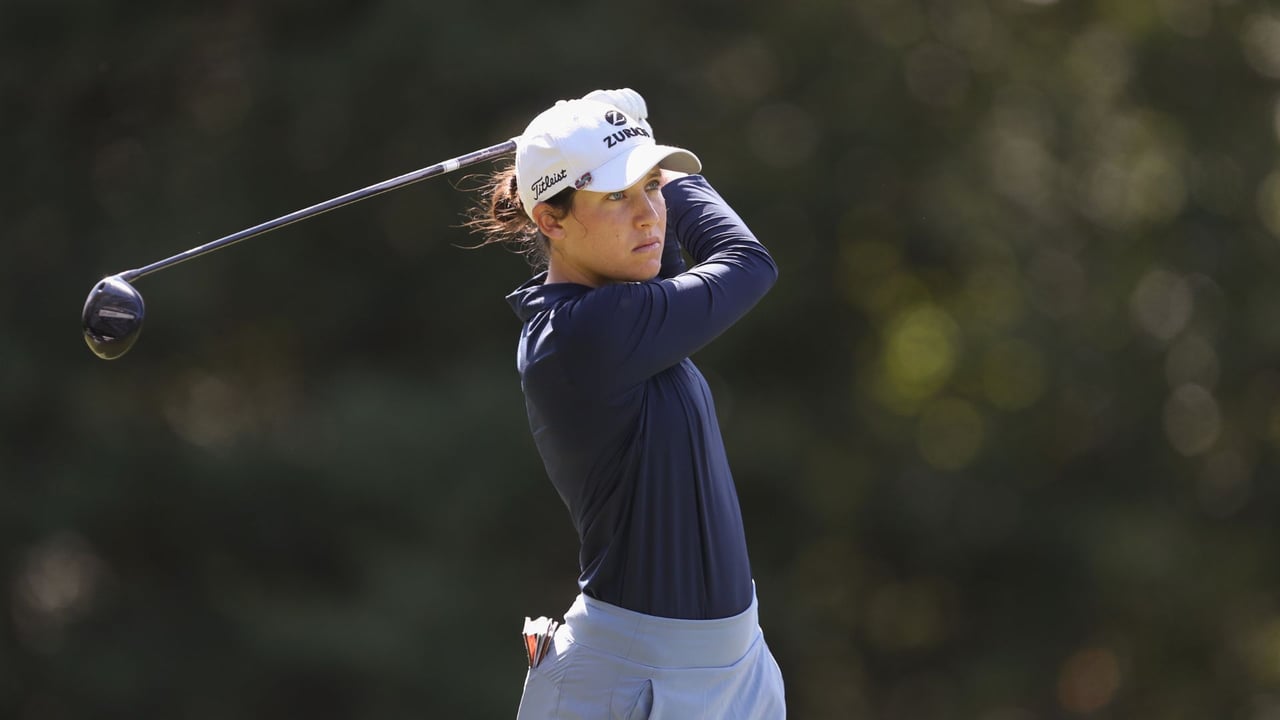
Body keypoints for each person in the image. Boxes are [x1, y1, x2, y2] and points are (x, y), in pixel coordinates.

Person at [468, 89, 785, 719]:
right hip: (631, 685)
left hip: (737, 668)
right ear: (550, 221)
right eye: (617, 195)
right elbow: (748, 263)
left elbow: (663, 250)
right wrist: (652, 158)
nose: (649, 215)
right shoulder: (587, 333)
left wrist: (630, 145)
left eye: (652, 188)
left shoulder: (623, 297)